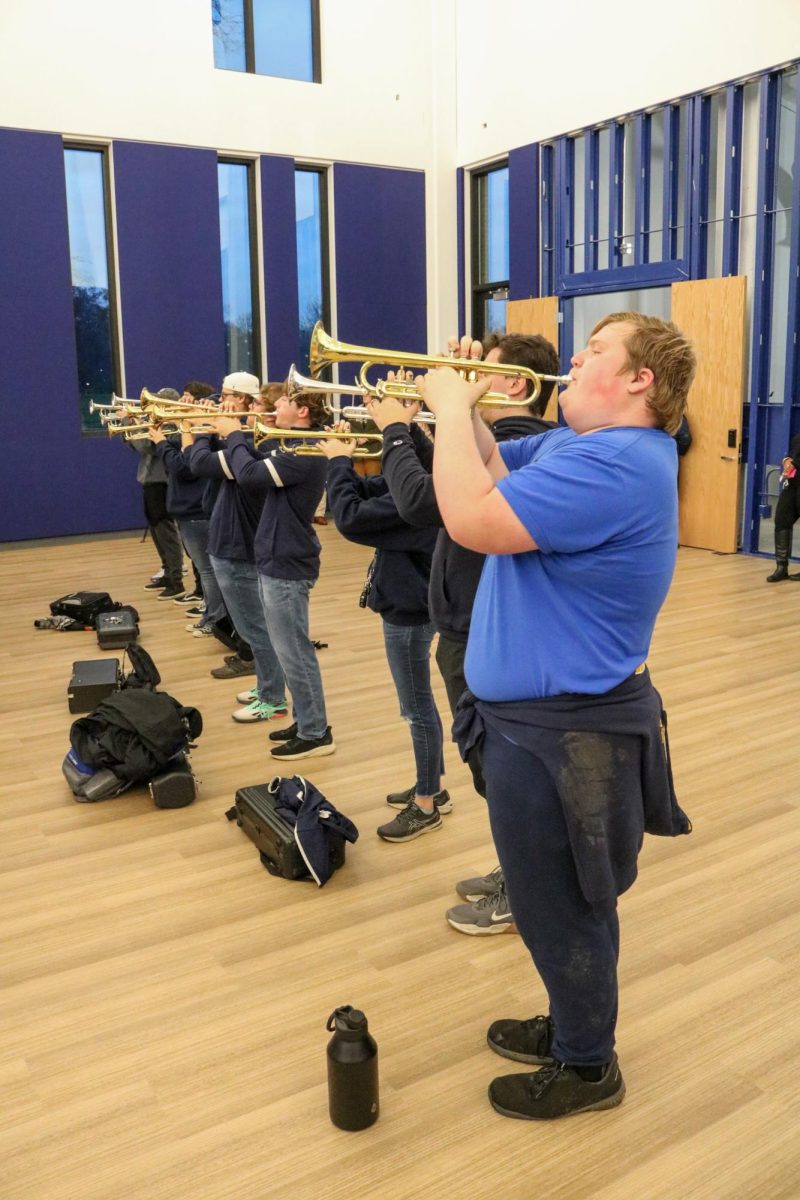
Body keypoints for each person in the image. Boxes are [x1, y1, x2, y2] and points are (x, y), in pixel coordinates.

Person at [418, 312, 696, 1120]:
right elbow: (495, 471)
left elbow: (471, 519)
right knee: (553, 900)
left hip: (567, 730)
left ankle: (587, 1067)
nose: (573, 360)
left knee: (562, 904)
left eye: (596, 350)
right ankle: (575, 1026)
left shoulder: (618, 465)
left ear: (641, 379)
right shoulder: (583, 447)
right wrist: (466, 406)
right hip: (537, 722)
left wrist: (441, 409)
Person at [367, 333, 560, 930]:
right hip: (469, 622)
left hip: (482, 627)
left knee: (498, 774)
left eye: (478, 371)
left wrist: (396, 431)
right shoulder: (498, 439)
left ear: (516, 386)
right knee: (490, 771)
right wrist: (437, 425)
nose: (462, 378)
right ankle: (519, 871)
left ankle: (528, 889)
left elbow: (423, 503)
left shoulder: (520, 445)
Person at [320, 422, 448, 841]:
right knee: (418, 706)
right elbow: (368, 490)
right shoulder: (421, 486)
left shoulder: (419, 499)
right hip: (410, 604)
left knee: (416, 709)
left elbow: (350, 517)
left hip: (409, 614)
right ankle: (434, 784)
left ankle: (427, 803)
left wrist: (338, 460)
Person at [218, 388, 334, 759]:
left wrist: (233, 433)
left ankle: (316, 733)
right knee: (287, 650)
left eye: (282, 402)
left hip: (288, 562)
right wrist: (245, 431)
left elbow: (249, 475)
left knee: (294, 650)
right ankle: (305, 721)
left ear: (301, 411)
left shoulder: (306, 451)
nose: (274, 407)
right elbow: (254, 465)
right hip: (274, 557)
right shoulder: (291, 445)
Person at [187, 373, 288, 721]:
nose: (222, 401)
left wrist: (201, 428)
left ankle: (274, 698)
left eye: (234, 397)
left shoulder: (252, 447)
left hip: (240, 548)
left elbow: (198, 463)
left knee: (255, 630)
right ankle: (266, 686)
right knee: (252, 628)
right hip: (227, 543)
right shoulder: (239, 443)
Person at [124, 388, 185, 600]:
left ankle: (176, 580)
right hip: (150, 481)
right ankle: (167, 571)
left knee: (165, 531)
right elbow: (135, 444)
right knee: (156, 529)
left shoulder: (170, 425)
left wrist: (131, 422)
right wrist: (130, 427)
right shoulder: (158, 422)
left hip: (162, 482)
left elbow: (147, 447)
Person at [766, 432, 800, 581]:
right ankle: (781, 567)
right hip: (793, 483)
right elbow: (795, 451)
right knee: (781, 519)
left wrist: (795, 463)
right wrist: (787, 459)